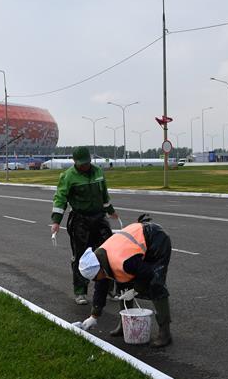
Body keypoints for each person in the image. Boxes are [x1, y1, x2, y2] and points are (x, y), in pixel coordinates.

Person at [73, 215, 173, 348]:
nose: (98, 280)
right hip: (137, 242)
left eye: (97, 277)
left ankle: (165, 333)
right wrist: (94, 316)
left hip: (156, 240)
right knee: (123, 286)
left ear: (100, 270)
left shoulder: (124, 263)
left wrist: (135, 289)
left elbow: (148, 274)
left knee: (156, 285)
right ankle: (124, 325)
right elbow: (101, 287)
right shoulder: (98, 260)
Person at [50, 146, 118, 305]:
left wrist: (111, 211)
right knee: (82, 256)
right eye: (81, 164)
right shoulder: (68, 176)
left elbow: (104, 195)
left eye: (86, 163)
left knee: (107, 254)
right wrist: (56, 221)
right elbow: (60, 199)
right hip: (81, 220)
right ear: (75, 162)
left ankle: (108, 288)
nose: (84, 166)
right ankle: (80, 291)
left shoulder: (98, 172)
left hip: (99, 218)